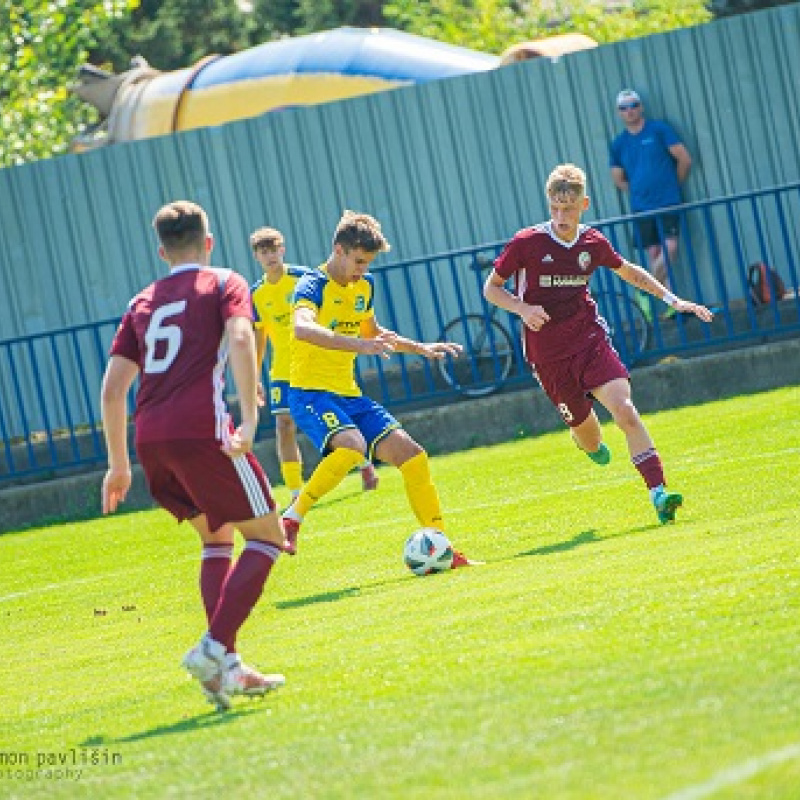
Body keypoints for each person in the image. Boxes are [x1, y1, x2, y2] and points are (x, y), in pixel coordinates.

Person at [100, 200, 287, 711]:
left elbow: (114, 388)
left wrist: (118, 465)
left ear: (161, 251)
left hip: (150, 438)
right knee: (270, 537)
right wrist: (249, 419)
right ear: (208, 242)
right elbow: (243, 338)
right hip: (203, 430)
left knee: (215, 537)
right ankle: (213, 648)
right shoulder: (224, 281)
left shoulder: (142, 300)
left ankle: (226, 669)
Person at [483, 164, 714, 524]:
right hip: (548, 356)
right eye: (555, 208)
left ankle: (659, 493)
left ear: (584, 204)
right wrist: (521, 307)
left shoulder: (593, 243)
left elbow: (629, 271)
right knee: (591, 440)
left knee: (625, 411)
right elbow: (491, 288)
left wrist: (674, 300)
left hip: (588, 339)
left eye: (569, 209)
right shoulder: (526, 242)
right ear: (548, 204)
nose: (561, 216)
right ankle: (584, 439)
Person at [280, 210, 478, 567]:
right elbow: (302, 329)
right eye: (358, 261)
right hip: (309, 393)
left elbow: (373, 334)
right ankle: (292, 516)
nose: (362, 269)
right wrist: (358, 346)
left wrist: (421, 347)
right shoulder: (312, 284)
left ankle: (444, 550)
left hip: (349, 394)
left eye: (367, 262)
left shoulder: (364, 286)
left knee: (413, 457)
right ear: (338, 250)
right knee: (353, 446)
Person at [249, 226, 378, 501]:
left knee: (344, 417)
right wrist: (255, 376)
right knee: (283, 425)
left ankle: (365, 464)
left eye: (274, 249)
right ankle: (296, 491)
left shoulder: (303, 279)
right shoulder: (257, 294)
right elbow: (259, 336)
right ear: (257, 256)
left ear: (282, 250)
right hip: (283, 369)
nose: (270, 256)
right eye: (264, 252)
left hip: (317, 363)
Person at [609, 89, 692, 319]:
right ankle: (672, 303)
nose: (630, 111)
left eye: (633, 105)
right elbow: (618, 178)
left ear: (641, 107)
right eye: (624, 107)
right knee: (654, 252)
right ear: (619, 113)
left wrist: (671, 185)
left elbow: (684, 159)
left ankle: (643, 289)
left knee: (670, 248)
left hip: (668, 202)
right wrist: (638, 191)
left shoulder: (659, 129)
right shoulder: (619, 144)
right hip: (641, 207)